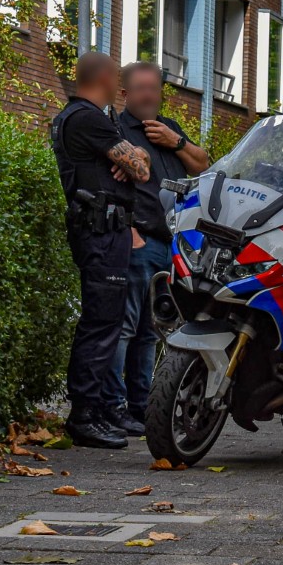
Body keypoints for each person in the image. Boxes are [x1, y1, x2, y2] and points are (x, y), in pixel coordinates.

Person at [50, 52, 152, 449]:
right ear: (106, 79)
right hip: (101, 232)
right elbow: (142, 170)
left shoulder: (80, 118)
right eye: (118, 80)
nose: (121, 88)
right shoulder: (88, 118)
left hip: (102, 231)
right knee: (101, 323)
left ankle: (101, 410)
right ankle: (85, 415)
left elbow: (140, 161)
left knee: (105, 322)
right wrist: (133, 161)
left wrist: (133, 157)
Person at [113, 62, 209, 436]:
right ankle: (115, 407)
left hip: (173, 247)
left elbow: (202, 165)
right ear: (125, 93)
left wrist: (176, 142)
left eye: (154, 88)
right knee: (125, 327)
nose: (149, 95)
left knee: (150, 332)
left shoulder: (169, 128)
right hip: (140, 243)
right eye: (141, 89)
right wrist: (131, 232)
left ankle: (141, 407)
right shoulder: (116, 130)